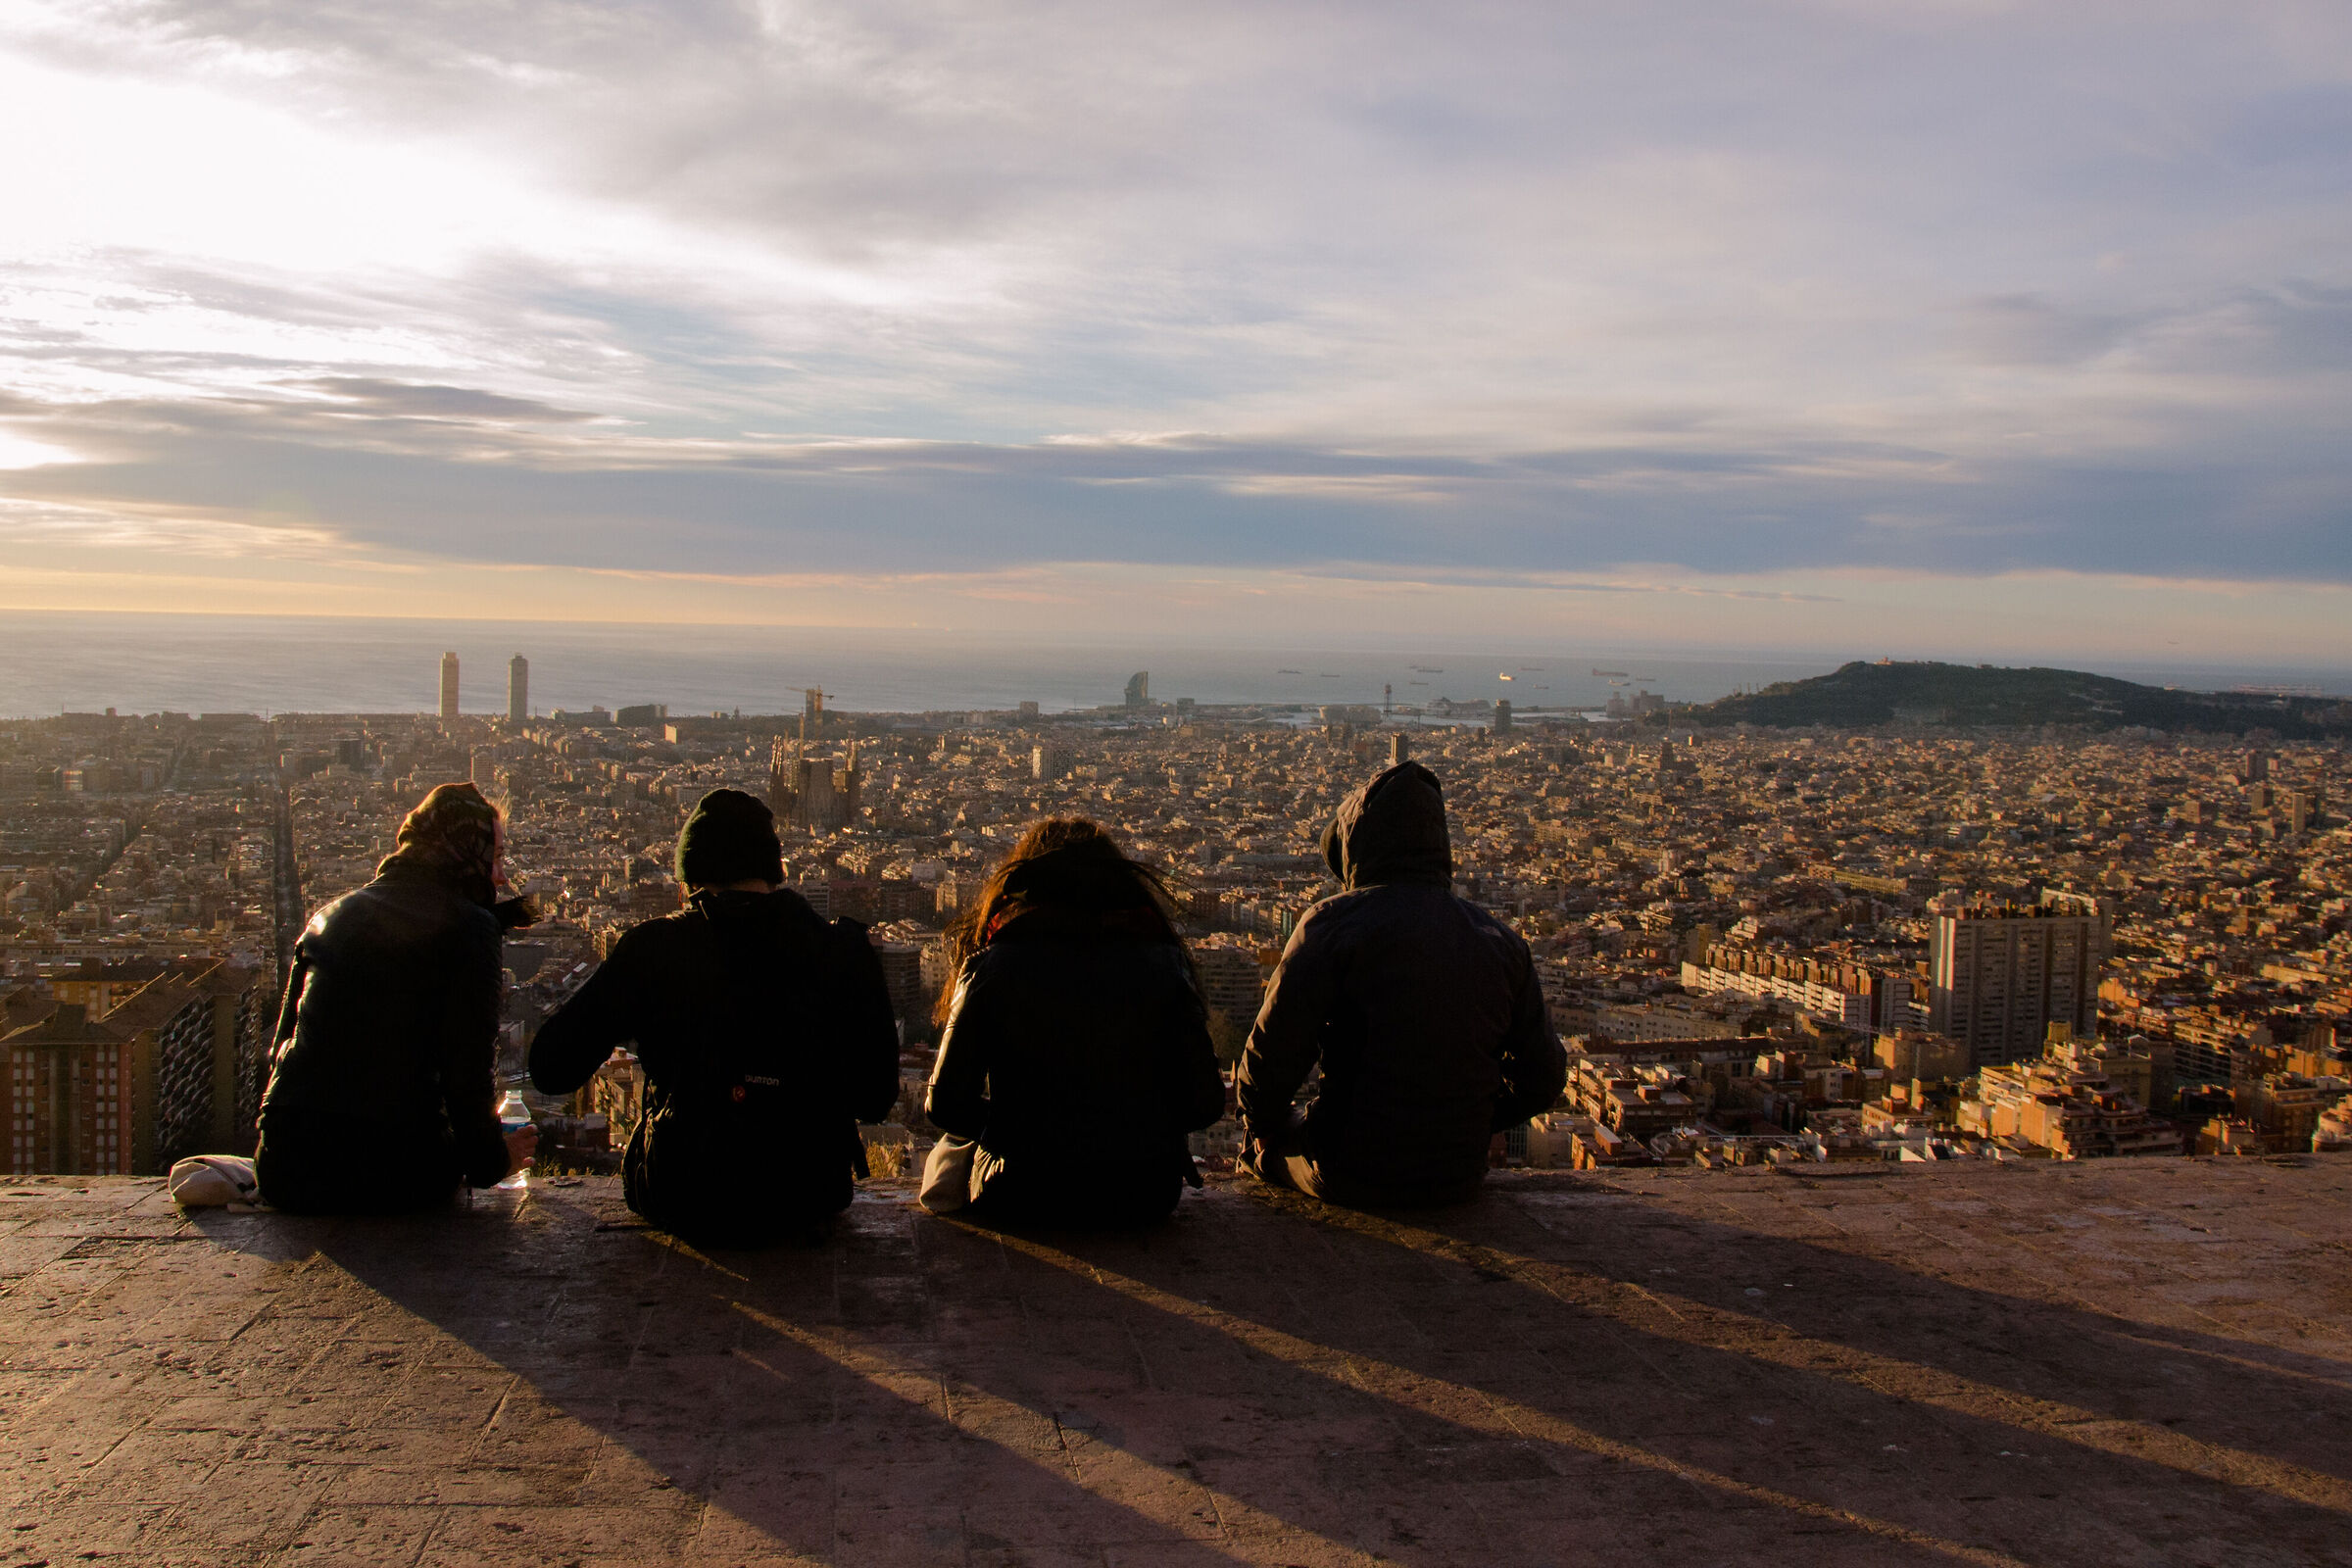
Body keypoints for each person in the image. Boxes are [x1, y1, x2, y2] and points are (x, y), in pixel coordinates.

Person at [528, 788, 899, 1246]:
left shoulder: (657, 949)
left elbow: (550, 1068)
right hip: (808, 1191)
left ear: (692, 880)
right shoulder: (843, 950)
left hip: (685, 1190)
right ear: (773, 871)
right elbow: (876, 1098)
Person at [1238, 760, 1564, 1207]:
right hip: (1459, 1174)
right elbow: (1544, 1079)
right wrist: (1468, 1121)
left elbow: (1268, 1065)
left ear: (1359, 848)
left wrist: (1265, 1130)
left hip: (1350, 1169)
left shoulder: (1333, 925)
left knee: (1262, 1153)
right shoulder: (1501, 942)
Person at [924, 818, 1225, 1228]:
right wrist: (1134, 1128)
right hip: (1143, 1191)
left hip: (1022, 1189)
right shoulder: (1163, 964)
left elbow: (944, 1105)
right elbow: (1205, 1102)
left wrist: (1024, 1130)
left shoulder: (994, 965)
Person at [256, 782, 538, 1213]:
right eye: (496, 857)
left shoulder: (328, 917)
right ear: (466, 853)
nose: (501, 876)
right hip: (398, 1172)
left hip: (284, 1169)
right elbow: (468, 1072)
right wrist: (496, 1160)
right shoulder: (470, 927)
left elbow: (282, 1051)